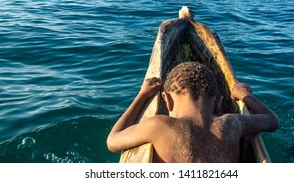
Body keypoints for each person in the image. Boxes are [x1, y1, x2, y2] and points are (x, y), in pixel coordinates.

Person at [107, 62, 279, 162]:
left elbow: (112, 141)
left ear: (167, 100)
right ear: (218, 104)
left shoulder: (158, 126)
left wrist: (142, 96)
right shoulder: (232, 123)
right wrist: (245, 95)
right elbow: (272, 121)